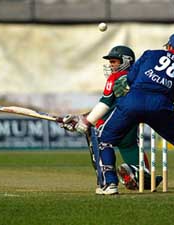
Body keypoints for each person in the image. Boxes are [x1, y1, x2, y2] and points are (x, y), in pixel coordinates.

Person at [71, 33, 174, 195]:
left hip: (133, 101)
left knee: (104, 140)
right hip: (161, 106)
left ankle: (110, 184)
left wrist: (86, 121)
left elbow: (130, 80)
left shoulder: (151, 54)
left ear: (168, 46)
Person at [62, 45, 162, 193]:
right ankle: (143, 177)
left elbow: (106, 104)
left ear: (127, 61)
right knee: (130, 147)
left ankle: (107, 182)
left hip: (114, 122)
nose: (111, 65)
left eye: (114, 61)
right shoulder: (139, 78)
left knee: (98, 143)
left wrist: (85, 120)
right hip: (132, 122)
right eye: (110, 62)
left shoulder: (115, 78)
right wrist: (83, 117)